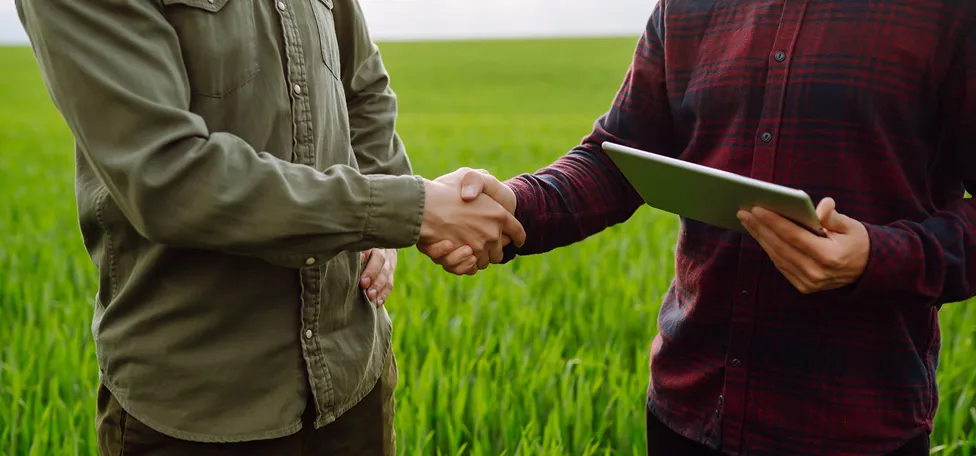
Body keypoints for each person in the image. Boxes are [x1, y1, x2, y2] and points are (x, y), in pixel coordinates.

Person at [422, 1, 976, 455]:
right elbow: (616, 160)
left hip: (854, 426)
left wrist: (880, 256)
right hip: (686, 415)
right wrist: (513, 204)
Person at [15, 0, 524, 455]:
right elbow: (168, 177)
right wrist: (405, 208)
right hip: (198, 412)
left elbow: (362, 85)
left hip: (355, 384)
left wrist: (385, 216)